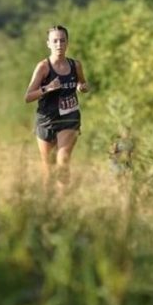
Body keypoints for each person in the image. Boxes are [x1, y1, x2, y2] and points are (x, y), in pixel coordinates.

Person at [24, 25, 90, 186]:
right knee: (49, 169)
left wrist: (82, 87)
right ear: (48, 44)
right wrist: (47, 88)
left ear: (67, 43)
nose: (59, 44)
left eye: (62, 40)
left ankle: (64, 203)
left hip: (69, 118)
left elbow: (82, 83)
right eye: (55, 41)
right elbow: (28, 97)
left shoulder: (75, 65)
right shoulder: (43, 67)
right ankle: (50, 207)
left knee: (63, 160)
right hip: (46, 119)